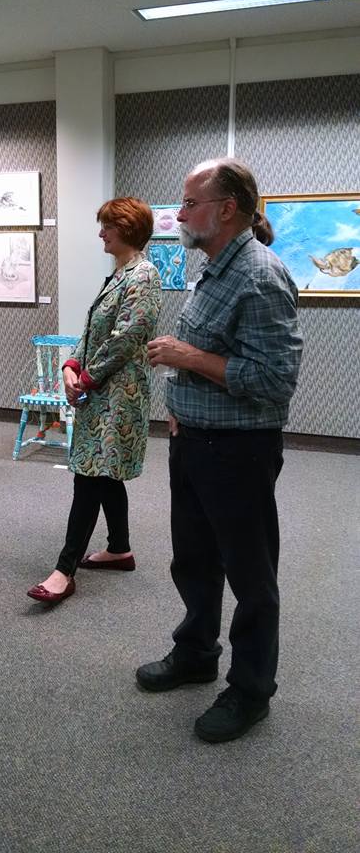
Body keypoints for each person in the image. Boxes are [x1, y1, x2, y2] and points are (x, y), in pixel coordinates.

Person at [136, 158, 303, 743]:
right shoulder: (214, 267)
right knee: (194, 560)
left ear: (227, 209)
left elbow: (275, 380)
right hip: (195, 442)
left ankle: (251, 690)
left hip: (239, 452)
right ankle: (197, 652)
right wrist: (181, 408)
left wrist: (188, 358)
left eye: (190, 203)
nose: (179, 215)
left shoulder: (260, 277)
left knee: (250, 575)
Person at [27, 196, 162, 605]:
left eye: (107, 226)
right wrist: (71, 364)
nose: (101, 233)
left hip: (119, 396)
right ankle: (120, 549)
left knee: (89, 476)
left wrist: (85, 377)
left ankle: (64, 570)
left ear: (127, 228)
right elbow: (93, 332)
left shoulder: (143, 275)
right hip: (102, 391)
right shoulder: (120, 274)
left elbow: (126, 337)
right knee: (103, 472)